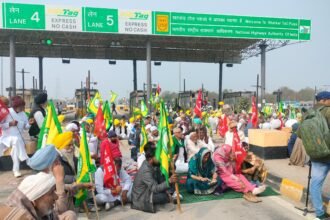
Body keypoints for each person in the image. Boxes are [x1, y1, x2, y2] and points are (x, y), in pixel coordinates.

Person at [298, 91, 330, 219]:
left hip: (316, 154)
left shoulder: (308, 113)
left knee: (316, 184)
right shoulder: (328, 111)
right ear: (325, 100)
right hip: (329, 152)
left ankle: (320, 214)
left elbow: (299, 134)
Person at [131, 142, 178, 213]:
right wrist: (169, 181)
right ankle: (166, 199)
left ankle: (168, 196)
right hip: (141, 197)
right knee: (163, 196)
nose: (159, 158)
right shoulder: (146, 170)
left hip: (149, 191)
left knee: (163, 175)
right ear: (151, 159)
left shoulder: (152, 164)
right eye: (157, 156)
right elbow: (155, 188)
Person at [0, 96, 31, 177]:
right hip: (6, 138)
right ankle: (27, 159)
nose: (22, 108)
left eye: (23, 106)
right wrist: (9, 124)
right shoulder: (7, 112)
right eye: (21, 107)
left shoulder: (23, 114)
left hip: (18, 139)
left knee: (15, 149)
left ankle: (16, 170)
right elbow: (1, 125)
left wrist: (30, 124)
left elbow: (25, 127)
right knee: (16, 141)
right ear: (16, 106)